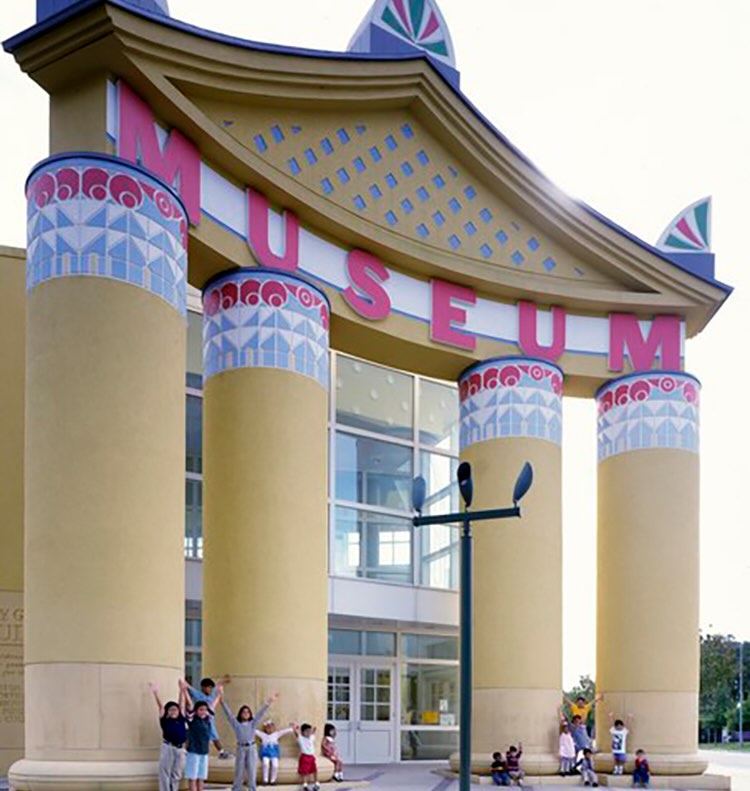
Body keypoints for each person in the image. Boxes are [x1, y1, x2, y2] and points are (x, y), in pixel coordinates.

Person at [217, 685, 278, 791]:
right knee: (239, 770)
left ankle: (252, 788)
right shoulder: (236, 724)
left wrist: (269, 702)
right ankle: (236, 788)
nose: (246, 713)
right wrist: (222, 702)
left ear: (250, 714)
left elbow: (260, 713)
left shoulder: (252, 723)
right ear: (240, 714)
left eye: (247, 712)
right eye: (243, 712)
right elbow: (229, 715)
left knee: (251, 770)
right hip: (241, 747)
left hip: (251, 747)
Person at [149, 681, 188, 791]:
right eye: (171, 709)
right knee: (165, 772)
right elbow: (161, 707)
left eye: (175, 709)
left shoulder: (181, 719)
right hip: (168, 747)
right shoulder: (165, 721)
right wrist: (156, 693)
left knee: (177, 773)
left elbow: (181, 704)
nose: (174, 711)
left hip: (180, 748)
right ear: (167, 712)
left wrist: (182, 690)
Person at [187, 677, 232, 758]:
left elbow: (217, 685)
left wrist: (224, 680)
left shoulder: (212, 694)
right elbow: (189, 688)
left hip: (210, 720)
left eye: (211, 688)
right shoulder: (198, 695)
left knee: (214, 735)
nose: (210, 689)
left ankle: (221, 752)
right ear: (203, 687)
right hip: (199, 720)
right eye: (209, 687)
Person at [182, 684, 215, 791]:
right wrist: (185, 691)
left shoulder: (207, 720)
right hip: (193, 751)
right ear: (196, 711)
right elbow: (190, 705)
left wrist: (219, 694)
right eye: (200, 710)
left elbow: (213, 705)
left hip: (204, 752)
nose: (203, 712)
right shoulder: (193, 719)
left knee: (201, 777)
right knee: (193, 777)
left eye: (205, 710)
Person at [257, 719, 295, 785]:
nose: (269, 729)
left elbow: (284, 732)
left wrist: (292, 728)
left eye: (271, 727)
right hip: (265, 753)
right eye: (268, 727)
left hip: (274, 753)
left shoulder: (276, 734)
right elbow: (255, 732)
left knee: (275, 765)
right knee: (265, 763)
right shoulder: (262, 735)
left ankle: (273, 780)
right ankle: (265, 780)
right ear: (265, 728)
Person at [294, 722, 319, 791]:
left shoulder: (311, 738)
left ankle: (316, 782)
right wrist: (295, 728)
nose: (308, 733)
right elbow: (296, 734)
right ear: (302, 732)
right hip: (305, 756)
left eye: (309, 731)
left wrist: (314, 730)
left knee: (314, 770)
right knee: (305, 771)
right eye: (307, 731)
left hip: (311, 756)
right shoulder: (301, 739)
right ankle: (305, 784)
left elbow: (313, 734)